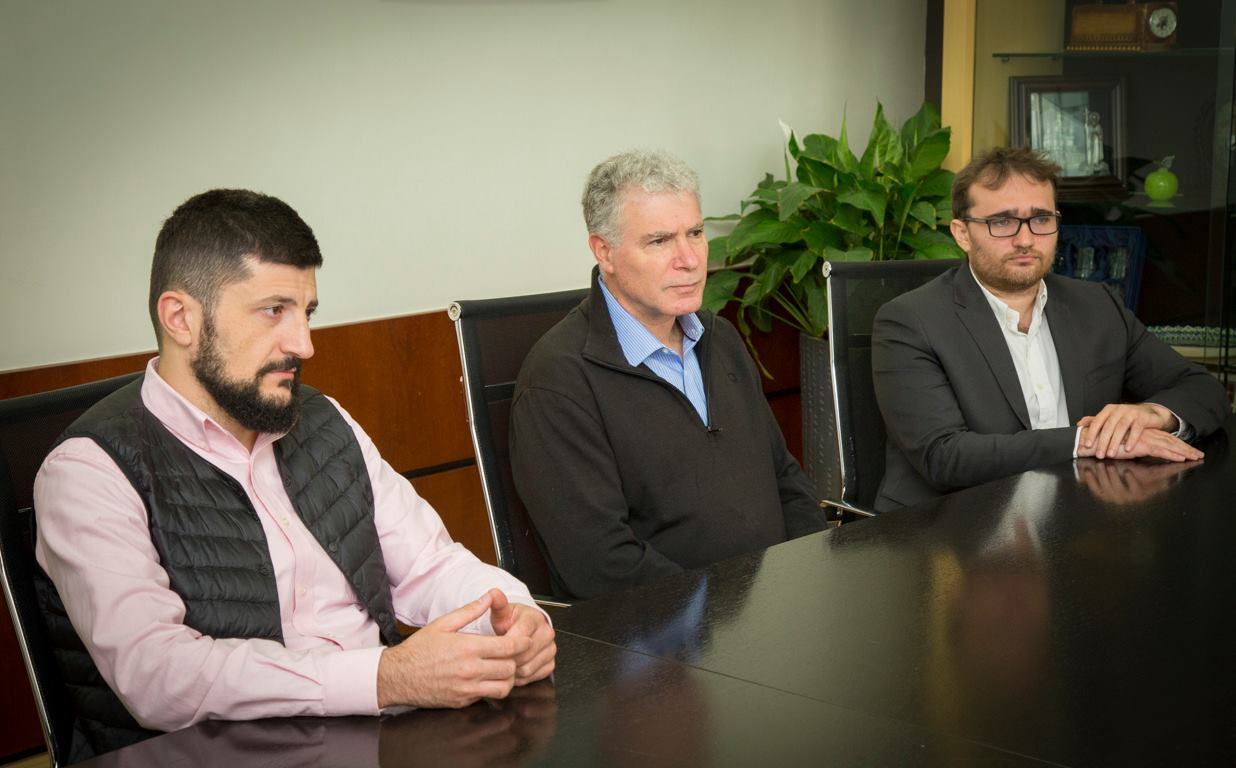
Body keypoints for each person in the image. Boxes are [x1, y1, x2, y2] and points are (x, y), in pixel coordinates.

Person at [33, 189, 555, 758]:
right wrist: (383, 677)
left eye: (307, 313)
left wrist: (513, 614)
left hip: (381, 738)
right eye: (273, 310)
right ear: (181, 318)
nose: (303, 344)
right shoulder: (89, 469)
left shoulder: (324, 420)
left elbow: (429, 565)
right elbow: (158, 675)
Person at [509, 150, 825, 599]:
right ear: (604, 252)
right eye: (659, 241)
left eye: (695, 233)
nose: (690, 259)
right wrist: (721, 615)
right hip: (666, 630)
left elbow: (786, 481)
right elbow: (599, 561)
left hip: (777, 603)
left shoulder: (720, 339)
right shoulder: (557, 381)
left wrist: (812, 576)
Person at [871, 146, 1230, 510]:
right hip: (948, 524)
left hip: (1076, 515)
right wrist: (1088, 440)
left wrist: (1154, 415)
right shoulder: (910, 321)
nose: (1026, 239)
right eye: (1002, 222)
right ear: (962, 234)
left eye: (1040, 219)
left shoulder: (1097, 305)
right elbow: (944, 456)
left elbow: (1203, 389)